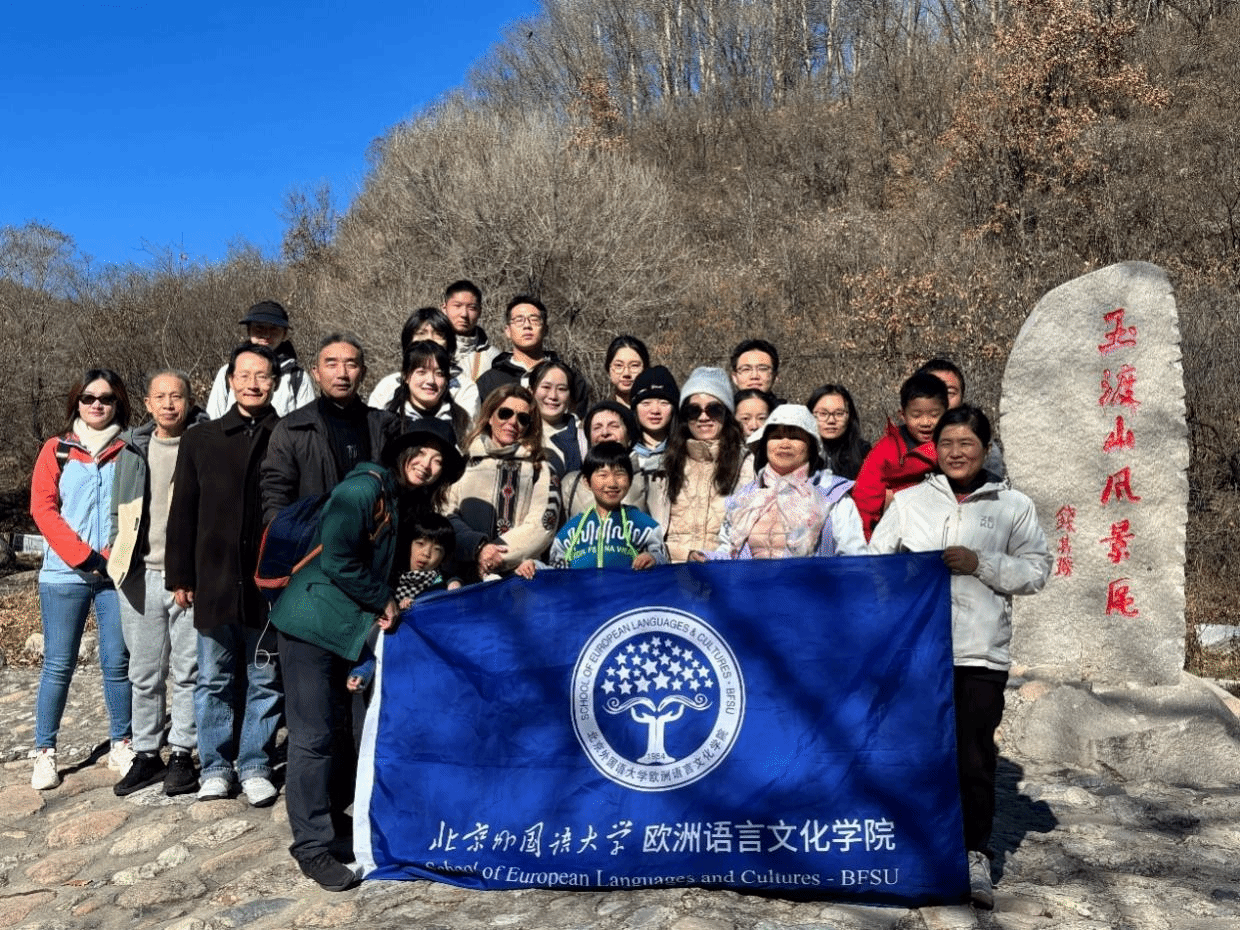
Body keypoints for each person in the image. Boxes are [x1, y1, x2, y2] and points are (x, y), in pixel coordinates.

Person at [868, 405, 1051, 909]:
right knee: (914, 753)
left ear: (985, 449)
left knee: (972, 758)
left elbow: (1037, 571)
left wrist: (981, 563)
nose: (955, 452)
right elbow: (875, 567)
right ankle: (913, 850)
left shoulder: (1012, 505)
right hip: (916, 653)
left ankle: (973, 855)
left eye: (966, 443)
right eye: (946, 443)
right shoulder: (910, 501)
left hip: (978, 652)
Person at [270, 420, 465, 891]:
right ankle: (311, 847)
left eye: (438, 461)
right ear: (402, 452)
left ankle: (331, 818)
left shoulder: (400, 501)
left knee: (345, 734)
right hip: (311, 624)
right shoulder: (362, 490)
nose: (428, 465)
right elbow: (338, 559)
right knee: (312, 737)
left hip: (347, 631)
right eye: (422, 453)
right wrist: (384, 599)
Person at [165, 344, 282, 806]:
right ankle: (215, 765)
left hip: (269, 583)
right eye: (244, 375)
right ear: (230, 381)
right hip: (213, 577)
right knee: (213, 676)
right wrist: (181, 575)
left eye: (262, 375)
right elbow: (183, 511)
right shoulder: (202, 439)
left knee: (264, 677)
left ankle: (255, 763)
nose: (253, 383)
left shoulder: (287, 434)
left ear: (275, 382)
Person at [29, 369, 134, 790]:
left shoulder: (131, 449)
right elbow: (43, 509)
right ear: (77, 401)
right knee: (58, 664)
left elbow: (138, 509)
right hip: (63, 574)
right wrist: (83, 556)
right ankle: (44, 751)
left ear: (118, 403)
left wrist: (113, 557)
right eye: (88, 397)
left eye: (106, 398)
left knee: (117, 662)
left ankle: (122, 743)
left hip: (114, 573)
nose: (96, 405)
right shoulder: (56, 450)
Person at [108, 370, 207, 797]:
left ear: (189, 401)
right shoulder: (132, 449)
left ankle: (182, 753)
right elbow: (119, 510)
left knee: (188, 670)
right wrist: (117, 559)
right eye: (160, 397)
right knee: (144, 672)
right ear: (147, 404)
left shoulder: (204, 444)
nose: (169, 404)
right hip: (139, 576)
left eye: (177, 396)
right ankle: (147, 754)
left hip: (189, 577)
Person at [691, 404, 864, 560]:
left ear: (811, 446)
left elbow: (855, 557)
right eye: (777, 436)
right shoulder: (744, 498)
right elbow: (728, 553)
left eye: (795, 437)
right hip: (750, 586)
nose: (785, 444)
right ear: (765, 444)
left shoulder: (832, 496)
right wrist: (706, 558)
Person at [260, 333, 401, 524]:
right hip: (311, 536)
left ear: (363, 373)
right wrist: (284, 532)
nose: (342, 373)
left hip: (373, 537)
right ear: (316, 373)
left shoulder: (385, 426)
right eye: (331, 364)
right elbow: (276, 493)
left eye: (351, 364)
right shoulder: (292, 428)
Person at [446, 385, 560, 581]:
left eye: (522, 418)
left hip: (519, 574)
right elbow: (447, 513)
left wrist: (497, 556)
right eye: (505, 413)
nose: (513, 422)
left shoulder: (540, 467)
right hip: (464, 574)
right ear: (490, 417)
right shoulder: (464, 462)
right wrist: (477, 548)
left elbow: (543, 524)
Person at [646, 367, 754, 563]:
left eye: (714, 409)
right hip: (672, 572)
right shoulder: (664, 466)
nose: (703, 417)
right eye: (694, 410)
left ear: (727, 413)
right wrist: (683, 555)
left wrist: (713, 557)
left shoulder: (746, 465)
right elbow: (651, 533)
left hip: (723, 571)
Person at [517, 442, 667, 576]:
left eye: (619, 474)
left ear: (630, 479)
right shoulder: (572, 530)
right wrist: (535, 566)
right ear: (587, 482)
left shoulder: (640, 523)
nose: (612, 483)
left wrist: (652, 558)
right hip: (582, 597)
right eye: (603, 475)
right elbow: (558, 573)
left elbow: (663, 558)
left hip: (625, 597)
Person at [346, 512, 457, 693]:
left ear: (445, 557)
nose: (426, 554)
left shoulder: (442, 586)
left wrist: (452, 583)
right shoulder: (389, 579)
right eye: (420, 544)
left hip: (420, 668)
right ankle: (360, 674)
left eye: (437, 549)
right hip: (385, 664)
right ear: (409, 544)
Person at [851, 372, 948, 541]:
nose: (926, 422)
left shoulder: (950, 444)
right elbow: (865, 494)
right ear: (902, 415)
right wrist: (865, 538)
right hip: (896, 526)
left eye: (934, 415)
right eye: (916, 415)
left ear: (946, 413)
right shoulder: (887, 448)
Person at [474, 296, 588, 418]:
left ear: (545, 330)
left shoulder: (570, 378)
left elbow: (578, 423)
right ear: (508, 331)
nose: (527, 325)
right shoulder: (489, 381)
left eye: (534, 320)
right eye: (519, 320)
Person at [205, 301, 316, 419]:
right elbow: (213, 419)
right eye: (259, 328)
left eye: (274, 329)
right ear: (249, 331)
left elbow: (307, 422)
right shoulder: (228, 371)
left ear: (284, 334)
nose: (266, 335)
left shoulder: (297, 377)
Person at [918, 357, 1006, 478]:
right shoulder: (897, 444)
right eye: (932, 391)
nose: (942, 400)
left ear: (961, 398)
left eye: (950, 393)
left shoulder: (980, 446)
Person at [559, 401, 644, 518]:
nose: (604, 433)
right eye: (597, 427)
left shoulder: (648, 479)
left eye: (613, 426)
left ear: (629, 436)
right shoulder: (571, 483)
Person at [382, 340, 471, 443]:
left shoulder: (461, 421)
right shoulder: (388, 422)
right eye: (422, 372)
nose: (431, 381)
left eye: (439, 373)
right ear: (406, 376)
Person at [531, 358, 586, 477]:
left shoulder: (583, 439)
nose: (553, 396)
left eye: (562, 389)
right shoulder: (516, 431)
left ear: (570, 396)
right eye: (546, 387)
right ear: (531, 391)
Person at [441, 280, 499, 389]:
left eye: (471, 308)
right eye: (457, 306)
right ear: (444, 309)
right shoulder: (429, 350)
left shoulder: (493, 358)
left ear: (480, 312)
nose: (464, 314)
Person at [806, 384, 871, 480]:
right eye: (823, 414)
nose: (831, 420)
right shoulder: (800, 453)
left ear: (849, 417)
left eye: (839, 414)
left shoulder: (864, 453)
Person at [631, 365, 678, 475]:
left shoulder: (687, 455)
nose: (655, 410)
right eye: (646, 403)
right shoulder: (623, 456)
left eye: (663, 403)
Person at [604, 335, 650, 408]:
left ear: (645, 369)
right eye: (619, 365)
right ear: (608, 369)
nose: (626, 373)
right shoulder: (600, 413)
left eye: (634, 365)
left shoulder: (655, 412)